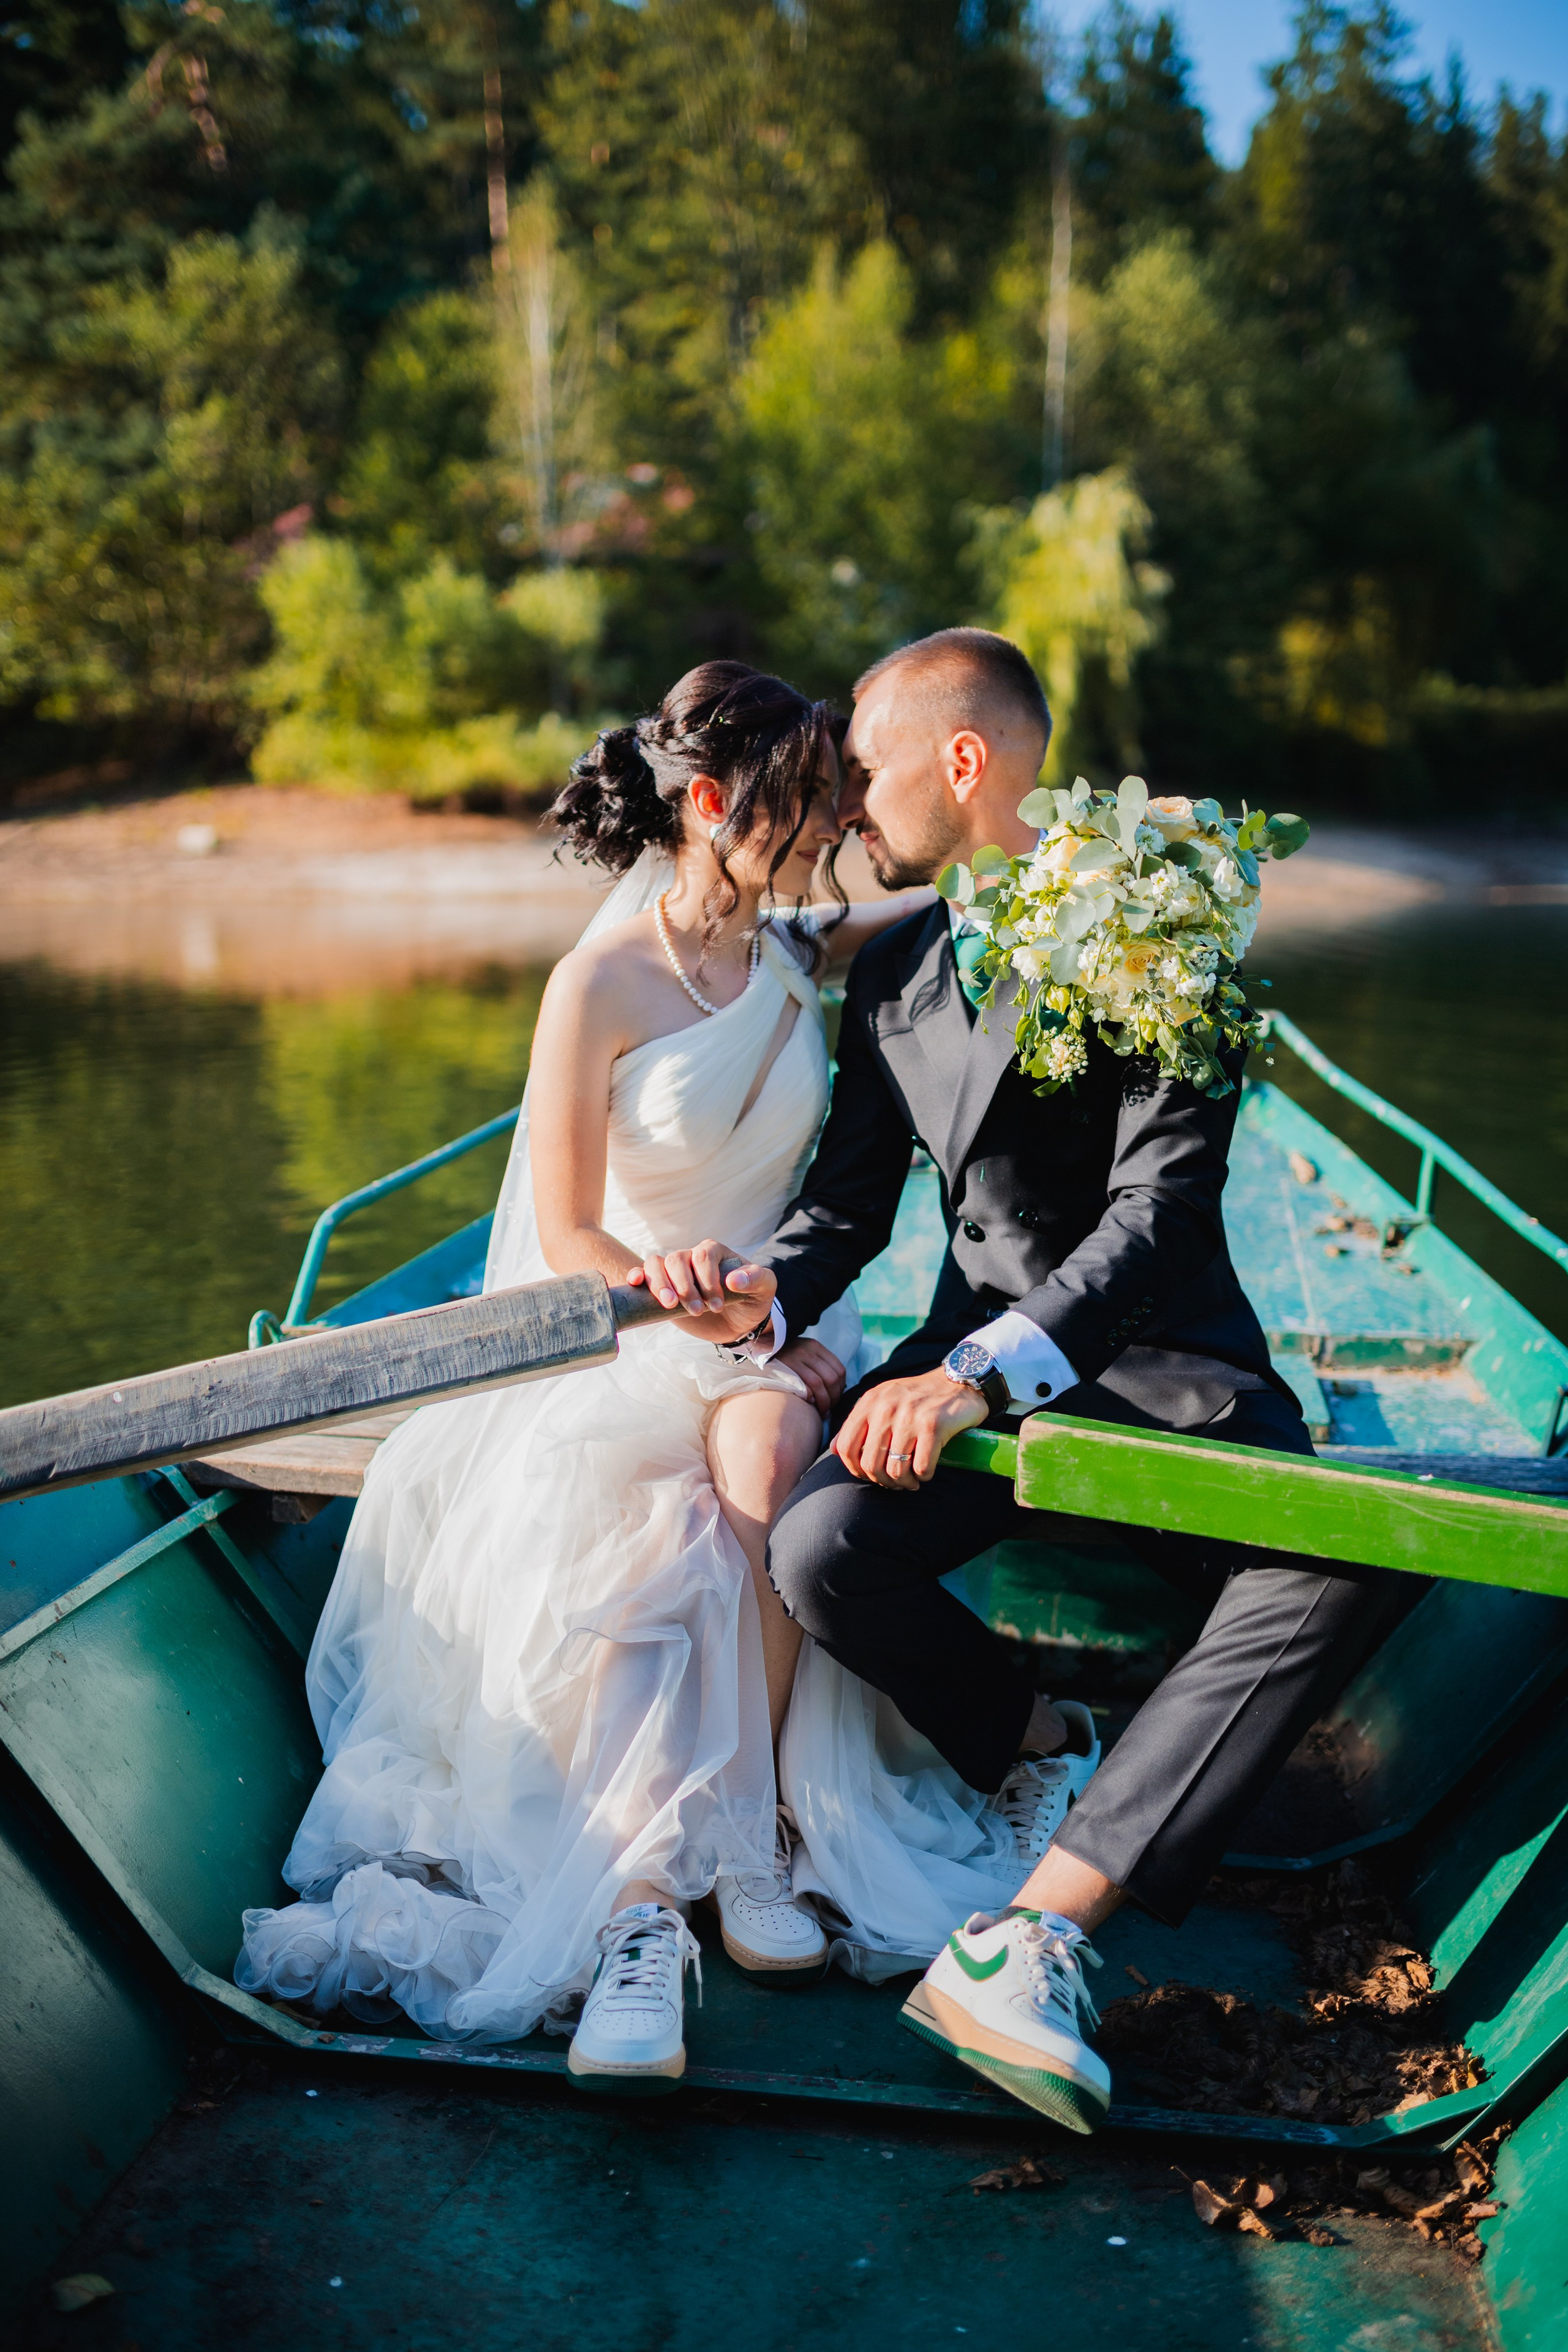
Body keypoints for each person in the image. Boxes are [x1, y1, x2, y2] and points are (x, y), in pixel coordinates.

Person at [236, 659, 1033, 2092]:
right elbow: (566, 1234)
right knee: (629, 1514)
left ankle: (767, 1844)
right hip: (620, 1323)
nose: (838, 816)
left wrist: (1077, 855)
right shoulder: (593, 981)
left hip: (771, 1321)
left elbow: (950, 895)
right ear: (715, 805)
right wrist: (663, 1296)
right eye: (806, 800)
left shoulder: (795, 945)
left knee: (769, 1463)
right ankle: (641, 1910)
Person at [646, 628, 1394, 2136]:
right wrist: (765, 1291)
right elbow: (847, 1205)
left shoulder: (1160, 920)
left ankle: (1036, 1929)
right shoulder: (897, 964)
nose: (844, 801)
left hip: (1158, 1359)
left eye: (862, 768)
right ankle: (1041, 1739)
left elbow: (1161, 1211)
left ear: (962, 760)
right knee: (819, 1546)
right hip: (966, 1353)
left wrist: (979, 1380)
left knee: (1328, 1556)